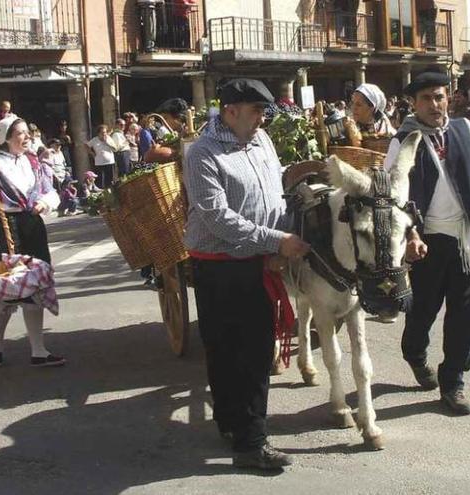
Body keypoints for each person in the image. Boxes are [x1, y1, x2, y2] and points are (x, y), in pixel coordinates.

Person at [183, 78, 309, 470]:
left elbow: (273, 185)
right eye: (256, 111)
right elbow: (217, 217)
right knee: (232, 350)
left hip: (256, 260)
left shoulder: (261, 141)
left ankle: (236, 425)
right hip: (220, 266)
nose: (262, 119)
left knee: (251, 351)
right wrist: (275, 241)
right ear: (231, 110)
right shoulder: (202, 152)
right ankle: (251, 444)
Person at [383, 70, 470, 415]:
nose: (435, 104)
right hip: (426, 240)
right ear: (413, 103)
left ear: (449, 98)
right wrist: (409, 234)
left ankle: (453, 381)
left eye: (440, 96)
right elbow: (393, 194)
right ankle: (414, 352)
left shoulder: (464, 130)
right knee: (424, 309)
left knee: (465, 312)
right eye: (427, 98)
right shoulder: (403, 140)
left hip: (464, 238)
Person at [0, 114, 64, 368]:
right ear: (6, 138)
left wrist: (45, 203)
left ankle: (38, 350)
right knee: (5, 290)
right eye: (21, 134)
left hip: (31, 226)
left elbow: (50, 190)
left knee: (34, 287)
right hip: (0, 229)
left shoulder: (33, 162)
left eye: (27, 133)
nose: (27, 137)